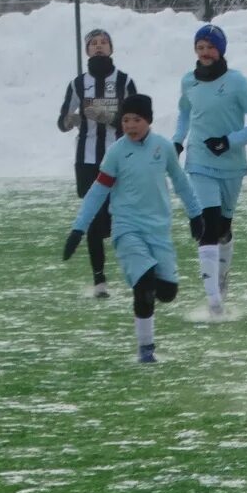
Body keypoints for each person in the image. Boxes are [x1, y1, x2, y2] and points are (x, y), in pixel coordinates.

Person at [63, 94, 203, 363]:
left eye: (136, 120)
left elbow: (181, 183)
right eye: (125, 120)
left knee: (167, 292)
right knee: (145, 283)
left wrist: (196, 215)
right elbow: (97, 192)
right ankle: (146, 350)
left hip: (158, 231)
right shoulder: (116, 152)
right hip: (127, 229)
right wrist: (78, 229)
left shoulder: (163, 148)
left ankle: (149, 309)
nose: (130, 125)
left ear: (148, 120)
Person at [172, 24, 247, 317]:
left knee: (224, 229)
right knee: (208, 224)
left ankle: (221, 276)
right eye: (200, 47)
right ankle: (213, 299)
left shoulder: (237, 82)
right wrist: (178, 141)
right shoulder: (188, 81)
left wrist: (229, 141)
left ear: (221, 50)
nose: (205, 53)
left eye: (211, 47)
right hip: (199, 162)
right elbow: (185, 113)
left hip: (231, 165)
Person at [57, 28, 138, 297]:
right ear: (87, 51)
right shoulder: (77, 84)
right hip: (88, 160)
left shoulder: (124, 81)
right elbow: (62, 122)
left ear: (111, 48)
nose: (99, 46)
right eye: (93, 43)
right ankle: (99, 280)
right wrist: (70, 120)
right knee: (92, 218)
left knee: (121, 216)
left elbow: (137, 118)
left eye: (104, 42)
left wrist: (106, 116)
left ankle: (135, 270)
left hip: (119, 158)